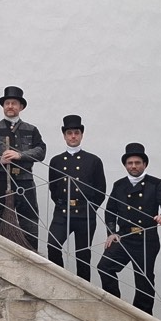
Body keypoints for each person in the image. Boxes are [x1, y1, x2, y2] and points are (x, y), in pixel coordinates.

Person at [97, 142, 161, 315]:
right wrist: (112, 232)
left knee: (144, 279)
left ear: (144, 164)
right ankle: (115, 307)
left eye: (137, 162)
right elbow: (110, 211)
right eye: (130, 163)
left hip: (146, 239)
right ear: (125, 165)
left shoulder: (156, 184)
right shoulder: (119, 185)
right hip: (124, 237)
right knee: (105, 267)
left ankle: (142, 316)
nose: (133, 166)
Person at [0, 86, 46, 250]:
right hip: (2, 181)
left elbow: (41, 151)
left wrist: (19, 155)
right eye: (7, 103)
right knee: (1, 216)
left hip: (25, 181)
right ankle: (3, 252)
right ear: (3, 106)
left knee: (29, 219)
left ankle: (31, 254)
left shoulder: (31, 129)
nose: (10, 106)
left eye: (14, 103)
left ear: (20, 107)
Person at [46, 115, 106, 281]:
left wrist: (90, 207)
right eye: (69, 133)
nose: (73, 136)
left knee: (83, 254)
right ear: (64, 135)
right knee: (53, 245)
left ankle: (83, 290)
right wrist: (61, 204)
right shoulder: (56, 161)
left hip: (85, 214)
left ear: (81, 135)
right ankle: (60, 281)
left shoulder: (93, 160)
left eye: (76, 133)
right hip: (62, 212)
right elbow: (54, 188)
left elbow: (101, 190)